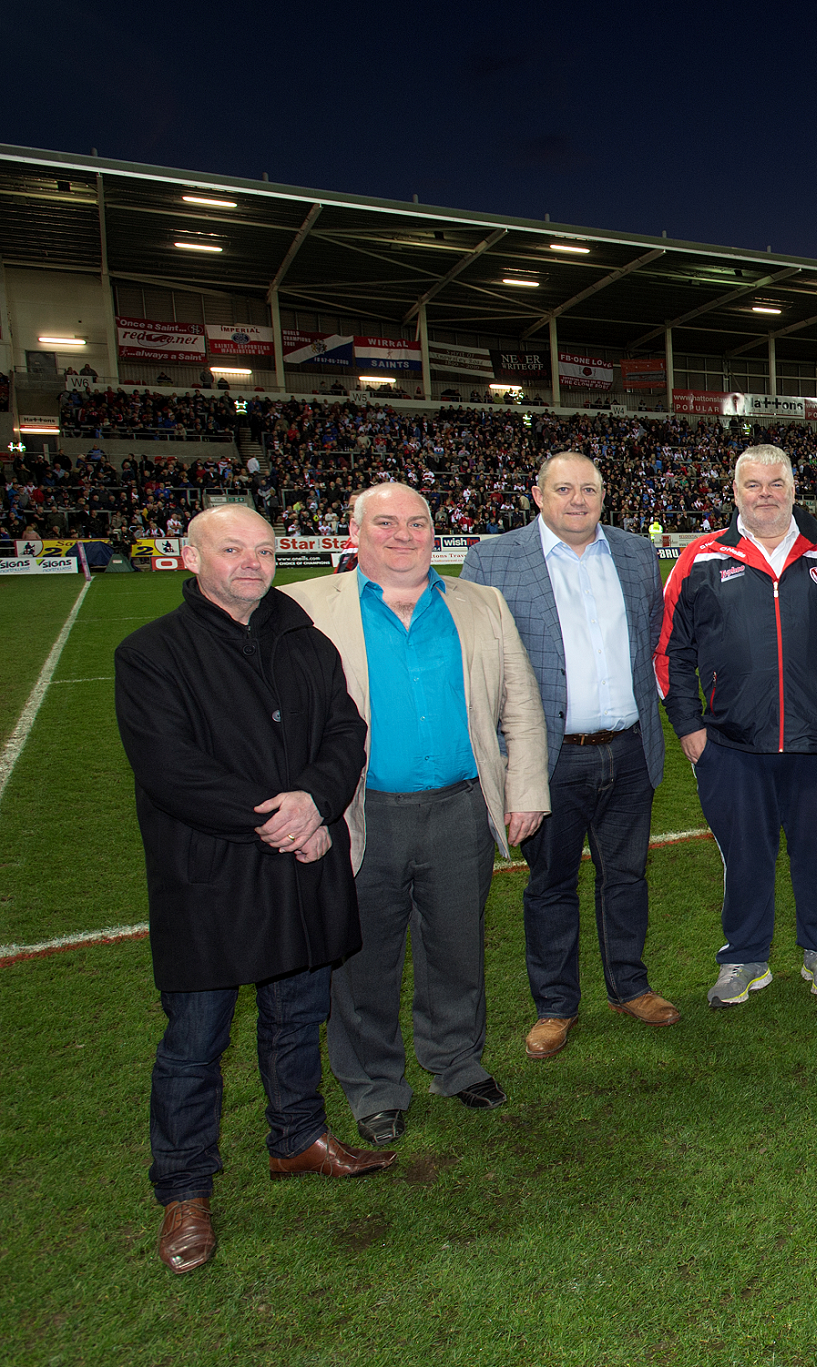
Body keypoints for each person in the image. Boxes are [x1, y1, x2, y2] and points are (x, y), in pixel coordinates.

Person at [115, 505, 394, 1276]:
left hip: (302, 863)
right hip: (212, 874)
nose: (251, 562)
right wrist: (283, 817)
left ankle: (297, 1137)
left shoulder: (304, 637)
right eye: (232, 549)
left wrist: (316, 800)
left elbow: (345, 732)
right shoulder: (152, 653)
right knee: (195, 1039)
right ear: (191, 557)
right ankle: (184, 1188)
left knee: (297, 1013)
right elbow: (171, 768)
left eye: (264, 550)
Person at [283, 483, 547, 1146]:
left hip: (461, 807)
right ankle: (374, 1084)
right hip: (361, 812)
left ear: (436, 531)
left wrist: (526, 789)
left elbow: (519, 702)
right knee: (363, 959)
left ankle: (456, 1062)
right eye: (386, 523)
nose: (403, 535)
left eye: (417, 522)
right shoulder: (305, 606)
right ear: (355, 532)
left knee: (456, 947)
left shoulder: (481, 602)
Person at [460, 452, 676, 1060]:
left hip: (628, 749)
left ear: (605, 495)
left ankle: (629, 986)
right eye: (563, 489)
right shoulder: (494, 559)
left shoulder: (636, 554)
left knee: (626, 877)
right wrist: (507, 758)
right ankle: (555, 1005)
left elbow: (650, 639)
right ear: (538, 495)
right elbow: (478, 664)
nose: (577, 499)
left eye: (588, 488)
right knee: (551, 883)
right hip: (548, 757)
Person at [658, 445, 817, 1006]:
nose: (765, 494)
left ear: (794, 489)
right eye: (753, 484)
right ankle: (745, 958)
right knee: (744, 859)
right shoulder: (700, 559)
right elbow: (670, 651)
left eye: (776, 483)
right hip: (732, 744)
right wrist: (689, 725)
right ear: (735, 492)